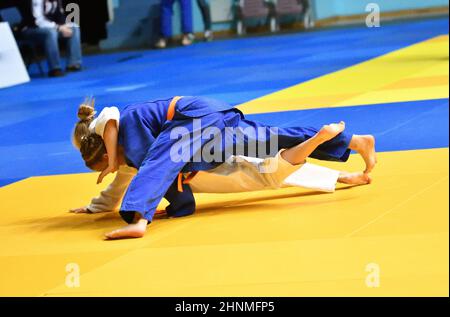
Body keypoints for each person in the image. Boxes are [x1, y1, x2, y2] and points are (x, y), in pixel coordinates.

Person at [73, 96, 376, 239]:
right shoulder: (130, 151)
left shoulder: (119, 124)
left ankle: (139, 220)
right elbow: (120, 183)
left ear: (102, 150)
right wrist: (96, 206)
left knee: (158, 162)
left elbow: (117, 131)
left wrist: (114, 162)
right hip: (211, 124)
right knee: (268, 141)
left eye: (106, 164)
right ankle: (352, 141)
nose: (113, 170)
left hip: (192, 119)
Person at [20, 0, 82, 77]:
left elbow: (60, 15)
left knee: (74, 28)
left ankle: (73, 64)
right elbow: (38, 21)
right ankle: (55, 69)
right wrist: (59, 27)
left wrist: (64, 25)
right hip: (30, 29)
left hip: (50, 27)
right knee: (51, 33)